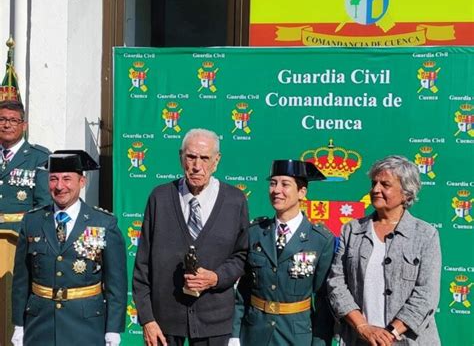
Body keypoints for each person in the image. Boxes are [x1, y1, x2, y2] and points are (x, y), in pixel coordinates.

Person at [133, 128, 249, 346]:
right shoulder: (160, 197)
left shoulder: (235, 200)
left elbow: (242, 255)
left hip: (214, 321)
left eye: (205, 158)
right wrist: (147, 319)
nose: (197, 166)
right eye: (191, 157)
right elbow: (142, 264)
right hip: (164, 322)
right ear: (180, 157)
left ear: (217, 161)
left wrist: (217, 277)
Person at [11, 150, 127, 346]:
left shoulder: (103, 223)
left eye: (67, 179)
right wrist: (19, 325)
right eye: (53, 179)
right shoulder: (32, 221)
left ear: (82, 182)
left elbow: (116, 284)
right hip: (40, 325)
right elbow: (21, 280)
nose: (59, 186)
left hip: (86, 326)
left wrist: (113, 330)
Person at [327, 155, 441, 345]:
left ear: (406, 193)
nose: (375, 189)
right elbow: (336, 282)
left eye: (385, 184)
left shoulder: (425, 235)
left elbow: (426, 294)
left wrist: (390, 333)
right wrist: (363, 327)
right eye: (374, 183)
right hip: (359, 338)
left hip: (408, 340)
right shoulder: (352, 230)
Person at [231, 159, 335, 346]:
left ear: (302, 192)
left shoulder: (320, 239)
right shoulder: (255, 232)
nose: (276, 190)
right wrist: (234, 335)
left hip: (296, 335)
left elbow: (323, 300)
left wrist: (320, 343)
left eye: (285, 184)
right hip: (254, 333)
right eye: (273, 183)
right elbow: (243, 291)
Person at [0, 100, 51, 232]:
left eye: (13, 120)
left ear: (24, 126)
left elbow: (44, 204)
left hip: (19, 235)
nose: (6, 125)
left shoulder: (39, 157)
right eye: (2, 119)